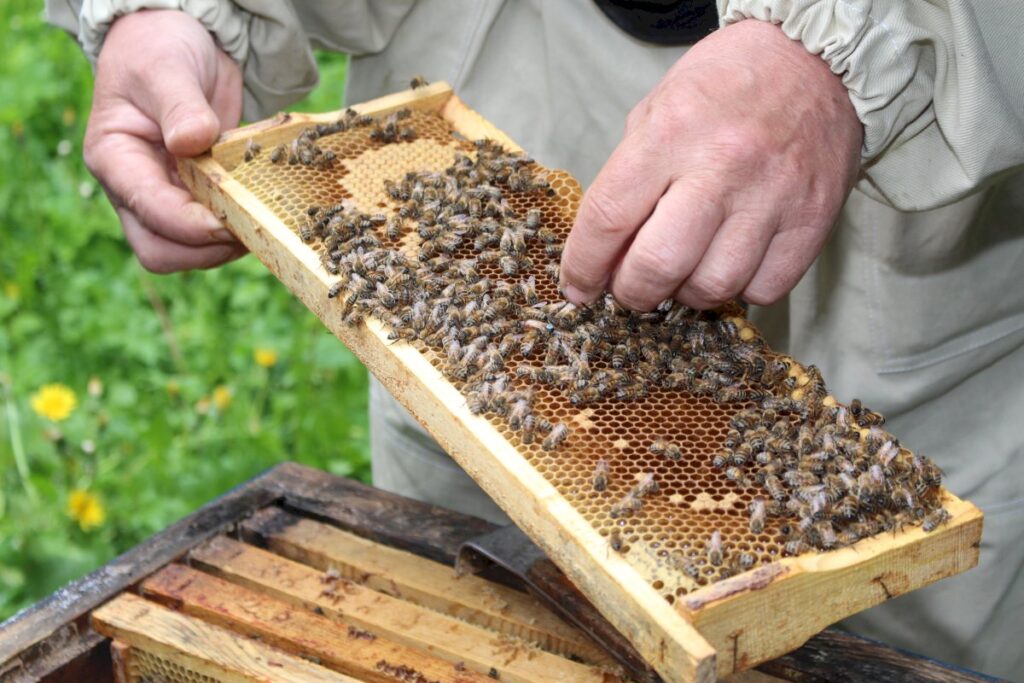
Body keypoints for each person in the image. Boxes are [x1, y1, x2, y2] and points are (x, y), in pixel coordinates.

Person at [46, 0, 1024, 677]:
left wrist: (852, 44)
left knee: (880, 627)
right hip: (490, 96)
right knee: (470, 574)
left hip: (919, 222)